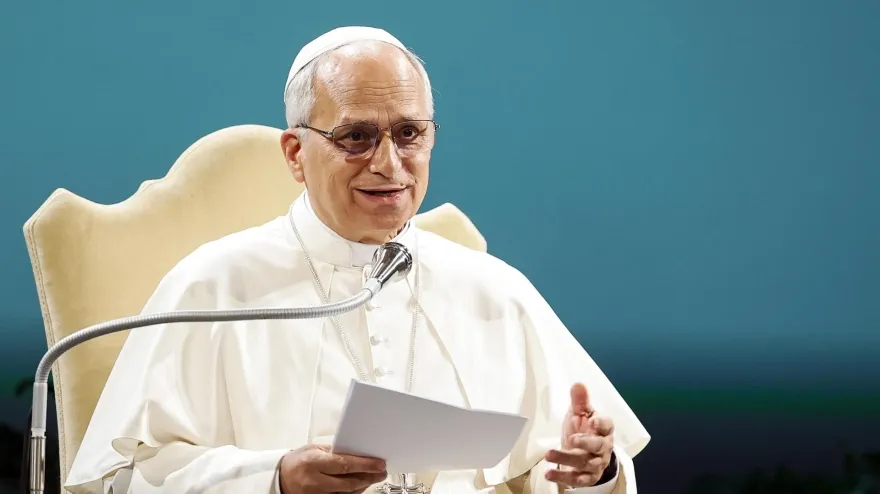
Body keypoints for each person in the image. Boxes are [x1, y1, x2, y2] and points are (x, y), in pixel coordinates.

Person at [65, 26, 650, 494]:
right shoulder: (213, 286)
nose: (389, 163)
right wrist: (274, 479)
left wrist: (593, 472)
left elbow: (555, 473)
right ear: (296, 154)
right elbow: (123, 480)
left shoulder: (496, 291)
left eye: (408, 134)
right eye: (356, 138)